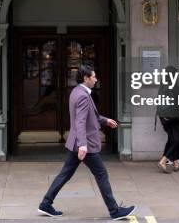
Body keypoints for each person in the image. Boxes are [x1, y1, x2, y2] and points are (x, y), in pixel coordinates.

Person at [38, 65, 136, 220]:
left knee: (65, 174)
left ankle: (45, 204)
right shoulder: (83, 96)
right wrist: (83, 144)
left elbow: (89, 116)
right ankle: (114, 211)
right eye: (94, 77)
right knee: (101, 174)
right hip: (85, 145)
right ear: (86, 78)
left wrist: (105, 120)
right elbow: (80, 121)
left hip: (75, 143)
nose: (96, 79)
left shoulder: (77, 91)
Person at [156, 66, 179, 173]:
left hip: (165, 118)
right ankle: (163, 160)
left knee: (172, 139)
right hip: (174, 117)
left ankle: (176, 164)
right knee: (177, 140)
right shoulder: (175, 87)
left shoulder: (162, 87)